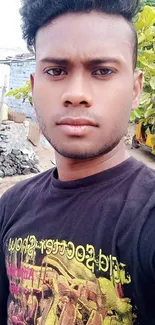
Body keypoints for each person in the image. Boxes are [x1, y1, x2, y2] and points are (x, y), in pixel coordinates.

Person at [0, 0, 155, 324]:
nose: (76, 93)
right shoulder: (11, 205)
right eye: (56, 71)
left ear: (135, 89)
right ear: (33, 86)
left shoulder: (146, 216)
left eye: (102, 71)